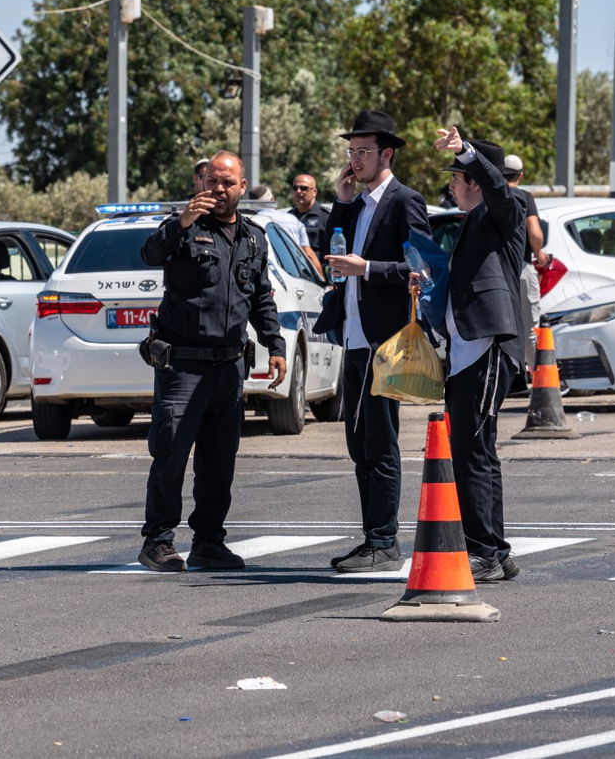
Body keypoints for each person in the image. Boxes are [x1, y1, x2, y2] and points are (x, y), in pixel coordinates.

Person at [137, 151, 287, 572]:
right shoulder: (184, 227)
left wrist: (275, 346)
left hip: (228, 368)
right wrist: (180, 222)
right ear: (202, 184)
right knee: (170, 454)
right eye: (212, 182)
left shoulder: (254, 237)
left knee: (219, 464)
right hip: (183, 366)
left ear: (242, 188)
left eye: (228, 183)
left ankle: (209, 542)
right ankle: (158, 541)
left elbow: (260, 296)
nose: (219, 189)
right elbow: (149, 254)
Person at [321, 110, 431, 573]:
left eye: (364, 152)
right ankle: (373, 537)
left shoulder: (406, 201)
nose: (355, 159)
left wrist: (367, 269)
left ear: (387, 153)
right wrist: (343, 203)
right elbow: (331, 253)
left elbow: (421, 270)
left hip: (385, 339)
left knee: (379, 441)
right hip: (353, 337)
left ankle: (383, 541)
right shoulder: (357, 203)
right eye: (351, 151)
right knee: (357, 441)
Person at [431, 128, 527, 583]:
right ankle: (496, 550)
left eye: (457, 177)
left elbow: (496, 185)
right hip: (467, 350)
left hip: (488, 345)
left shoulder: (504, 210)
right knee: (475, 450)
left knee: (472, 451)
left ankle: (484, 551)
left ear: (475, 180)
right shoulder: (470, 221)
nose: (451, 186)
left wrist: (466, 152)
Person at [502, 153, 546, 372]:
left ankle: (508, 375)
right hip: (521, 268)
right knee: (530, 328)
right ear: (520, 175)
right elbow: (535, 234)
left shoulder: (493, 196)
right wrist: (539, 254)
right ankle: (539, 378)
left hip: (497, 271)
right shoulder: (525, 197)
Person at [247, 184, 323, 276]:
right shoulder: (292, 220)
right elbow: (309, 253)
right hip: (296, 276)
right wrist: (322, 281)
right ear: (272, 200)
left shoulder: (249, 221)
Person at [287, 174, 332, 261]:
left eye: (303, 188)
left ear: (314, 192)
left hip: (317, 271)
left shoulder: (325, 217)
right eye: (295, 188)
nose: (298, 191)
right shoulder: (288, 217)